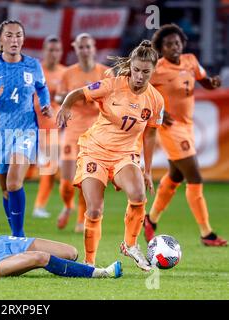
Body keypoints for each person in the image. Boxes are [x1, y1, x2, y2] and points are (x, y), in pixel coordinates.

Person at [57, 40, 164, 271]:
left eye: (146, 72)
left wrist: (147, 170)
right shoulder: (112, 85)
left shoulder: (156, 100)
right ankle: (89, 263)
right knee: (94, 209)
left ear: (153, 71)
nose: (139, 76)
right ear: (130, 67)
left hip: (125, 155)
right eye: (136, 70)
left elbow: (150, 134)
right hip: (95, 151)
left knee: (138, 195)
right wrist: (66, 106)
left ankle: (130, 245)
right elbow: (78, 93)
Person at [144, 24, 227, 246]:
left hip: (188, 126)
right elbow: (140, 92)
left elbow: (205, 82)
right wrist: (159, 111)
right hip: (170, 128)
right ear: (161, 48)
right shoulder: (157, 69)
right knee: (195, 176)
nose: (174, 47)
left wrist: (213, 83)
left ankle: (150, 219)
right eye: (169, 44)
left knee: (175, 176)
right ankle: (206, 233)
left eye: (177, 43)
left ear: (183, 44)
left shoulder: (190, 60)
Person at [0, 20, 52, 237]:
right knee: (6, 189)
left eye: (18, 35)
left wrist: (45, 105)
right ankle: (15, 235)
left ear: (23, 39)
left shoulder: (32, 65)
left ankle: (18, 236)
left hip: (25, 129)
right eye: (9, 35)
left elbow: (42, 88)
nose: (14, 40)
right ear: (0, 39)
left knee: (14, 183)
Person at [55, 33, 109, 233]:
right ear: (76, 49)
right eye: (81, 47)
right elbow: (60, 97)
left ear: (94, 48)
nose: (85, 50)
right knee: (67, 182)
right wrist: (74, 96)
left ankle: (81, 218)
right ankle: (68, 206)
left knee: (87, 178)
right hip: (72, 130)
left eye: (88, 46)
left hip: (95, 133)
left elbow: (113, 98)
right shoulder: (68, 73)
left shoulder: (105, 73)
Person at [32, 35, 66, 219]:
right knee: (20, 168)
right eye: (51, 50)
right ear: (44, 51)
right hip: (31, 128)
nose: (54, 54)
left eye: (57, 50)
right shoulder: (36, 72)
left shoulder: (65, 73)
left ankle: (39, 206)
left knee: (50, 167)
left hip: (53, 130)